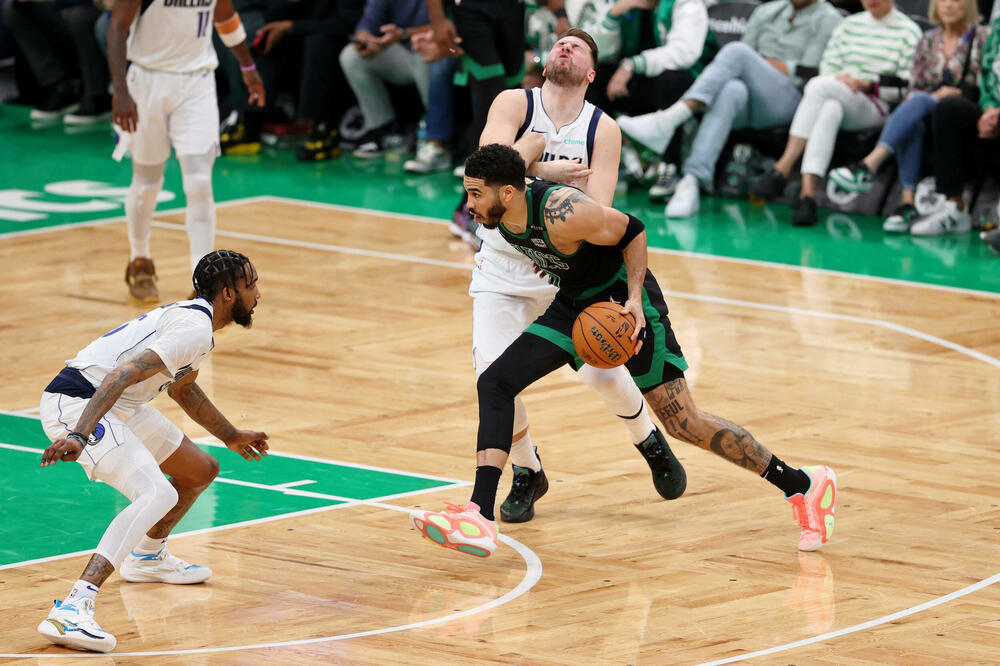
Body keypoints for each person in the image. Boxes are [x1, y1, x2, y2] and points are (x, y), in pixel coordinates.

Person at [410, 143, 838, 558]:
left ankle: (803, 485)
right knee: (496, 382)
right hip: (574, 303)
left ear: (506, 192)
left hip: (624, 307)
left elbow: (632, 229)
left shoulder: (563, 210)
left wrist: (634, 299)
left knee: (684, 422)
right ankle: (480, 515)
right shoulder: (500, 212)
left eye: (474, 193)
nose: (468, 204)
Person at [469, 29, 667, 524]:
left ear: (591, 72)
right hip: (501, 265)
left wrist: (529, 166)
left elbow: (597, 211)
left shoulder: (603, 128)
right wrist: (549, 172)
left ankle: (649, 439)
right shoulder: (515, 102)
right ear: (545, 58)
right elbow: (483, 171)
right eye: (559, 42)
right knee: (492, 378)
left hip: (563, 271)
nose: (566, 46)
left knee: (604, 371)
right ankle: (527, 471)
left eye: (578, 47)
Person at [35, 250, 268, 653]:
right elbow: (121, 373)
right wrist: (78, 434)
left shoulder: (195, 322)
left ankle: (147, 557)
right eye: (252, 285)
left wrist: (230, 435)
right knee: (158, 493)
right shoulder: (193, 328)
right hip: (78, 403)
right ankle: (73, 607)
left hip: (119, 404)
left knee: (200, 470)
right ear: (229, 294)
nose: (259, 293)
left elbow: (184, 387)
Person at [615, 0, 843, 218]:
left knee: (736, 52)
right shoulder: (767, 11)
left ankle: (670, 119)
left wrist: (757, 63)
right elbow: (746, 59)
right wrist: (755, 63)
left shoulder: (828, 18)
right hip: (751, 96)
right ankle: (693, 181)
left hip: (793, 101)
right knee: (731, 89)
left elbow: (808, 71)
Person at [109, 0, 265, 303]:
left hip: (197, 84)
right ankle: (140, 259)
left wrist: (248, 66)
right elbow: (116, 28)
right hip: (147, 81)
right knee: (147, 183)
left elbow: (227, 19)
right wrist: (120, 90)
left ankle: (204, 281)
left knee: (199, 182)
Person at [749, 0, 922, 226]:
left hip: (877, 105)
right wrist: (844, 82)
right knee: (830, 106)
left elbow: (905, 86)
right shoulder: (848, 25)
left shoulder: (909, 32)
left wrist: (865, 83)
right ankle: (807, 197)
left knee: (818, 87)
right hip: (840, 92)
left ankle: (783, 165)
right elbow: (829, 66)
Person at [829, 0, 988, 233]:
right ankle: (906, 204)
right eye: (943, 0)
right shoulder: (928, 40)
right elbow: (915, 85)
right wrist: (935, 95)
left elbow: (990, 82)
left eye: (956, 0)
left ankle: (868, 165)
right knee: (914, 109)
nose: (949, 5)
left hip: (967, 113)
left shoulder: (983, 37)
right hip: (931, 110)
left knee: (921, 102)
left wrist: (951, 94)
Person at [586, 0, 719, 201]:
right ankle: (602, 163)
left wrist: (632, 64)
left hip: (690, 84)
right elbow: (597, 54)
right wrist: (614, 15)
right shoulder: (622, 3)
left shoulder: (686, 4)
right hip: (638, 81)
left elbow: (684, 53)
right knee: (594, 76)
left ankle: (670, 166)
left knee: (672, 79)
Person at [901, 12, 1000, 235]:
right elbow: (987, 77)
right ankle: (955, 208)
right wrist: (989, 108)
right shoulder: (998, 29)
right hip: (991, 113)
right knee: (949, 108)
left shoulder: (981, 33)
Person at [339, 0, 430, 158]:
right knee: (351, 56)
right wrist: (366, 39)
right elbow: (368, 22)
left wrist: (404, 33)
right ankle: (380, 130)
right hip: (402, 50)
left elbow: (447, 25)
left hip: (443, 48)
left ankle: (438, 136)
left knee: (425, 55)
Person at [1, 0, 110, 123]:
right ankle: (60, 86)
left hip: (100, 12)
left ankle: (97, 96)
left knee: (78, 17)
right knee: (13, 9)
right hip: (62, 9)